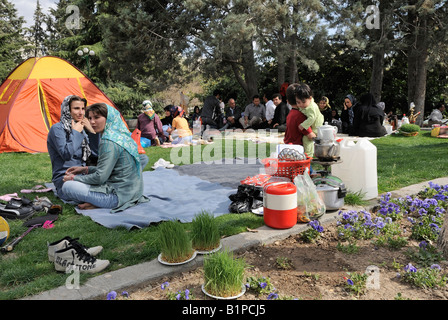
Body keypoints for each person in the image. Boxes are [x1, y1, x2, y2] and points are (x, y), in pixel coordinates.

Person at [61, 103, 148, 212]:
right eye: (90, 118)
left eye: (97, 117)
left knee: (67, 186)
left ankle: (100, 203)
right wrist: (85, 169)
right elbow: (112, 169)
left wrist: (74, 178)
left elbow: (100, 177)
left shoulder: (108, 141)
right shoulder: (122, 135)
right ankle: (95, 203)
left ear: (109, 118)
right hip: (134, 193)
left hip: (118, 197)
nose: (92, 122)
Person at [47, 95, 100, 202]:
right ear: (67, 110)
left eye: (83, 109)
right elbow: (66, 154)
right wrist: (76, 133)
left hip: (84, 174)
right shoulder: (57, 129)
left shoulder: (82, 127)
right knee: (74, 189)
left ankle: (96, 198)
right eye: (76, 108)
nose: (81, 113)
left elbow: (96, 154)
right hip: (65, 177)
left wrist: (93, 132)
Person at [294, 83, 324, 158]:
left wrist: (303, 125)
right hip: (313, 124)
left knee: (307, 139)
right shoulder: (306, 105)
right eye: (298, 102)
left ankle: (308, 155)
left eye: (303, 102)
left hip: (316, 125)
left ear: (310, 98)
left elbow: (312, 118)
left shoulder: (311, 107)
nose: (301, 105)